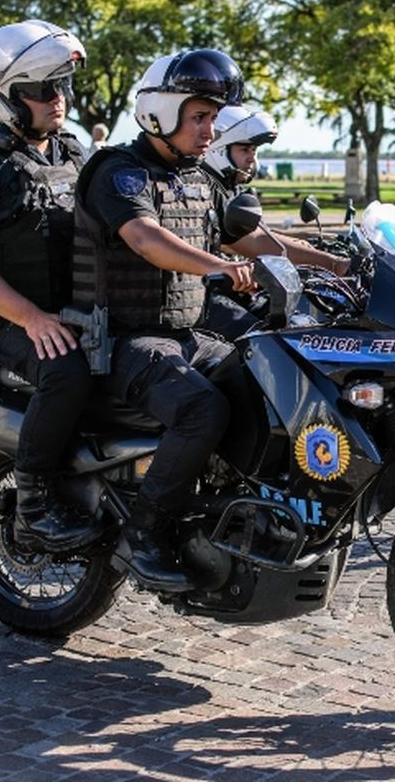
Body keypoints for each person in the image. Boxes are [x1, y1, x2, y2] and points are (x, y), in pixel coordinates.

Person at [71, 48, 258, 591]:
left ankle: (227, 511)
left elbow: (247, 236)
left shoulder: (196, 177)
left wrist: (336, 259)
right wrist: (222, 267)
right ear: (161, 113)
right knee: (200, 408)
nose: (210, 131)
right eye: (199, 117)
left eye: (214, 119)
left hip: (182, 334)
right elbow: (147, 239)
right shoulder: (118, 174)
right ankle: (144, 533)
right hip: (121, 339)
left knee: (261, 371)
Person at [0, 19, 101, 552]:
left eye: (61, 85)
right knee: (67, 371)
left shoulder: (76, 155)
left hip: (75, 311)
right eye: (41, 90)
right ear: (8, 96)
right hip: (12, 322)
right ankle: (35, 500)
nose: (57, 99)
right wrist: (31, 318)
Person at [198, 104, 349, 339]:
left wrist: (309, 240)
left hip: (234, 289)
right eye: (245, 149)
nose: (252, 158)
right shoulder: (206, 188)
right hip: (205, 296)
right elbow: (251, 241)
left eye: (254, 150)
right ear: (218, 148)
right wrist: (335, 264)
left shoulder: (227, 187)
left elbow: (257, 230)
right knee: (262, 340)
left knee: (297, 323)